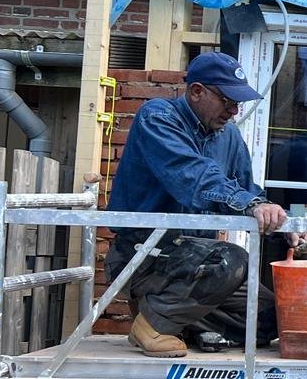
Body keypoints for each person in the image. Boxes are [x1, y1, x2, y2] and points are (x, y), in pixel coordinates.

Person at [106, 52, 285, 358]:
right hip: (145, 254)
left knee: (274, 317)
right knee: (231, 259)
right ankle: (154, 324)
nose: (233, 110)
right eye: (227, 100)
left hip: (198, 266)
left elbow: (245, 190)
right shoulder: (158, 118)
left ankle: (170, 319)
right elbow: (194, 177)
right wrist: (251, 205)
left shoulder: (228, 135)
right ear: (197, 91)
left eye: (237, 103)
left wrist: (278, 219)